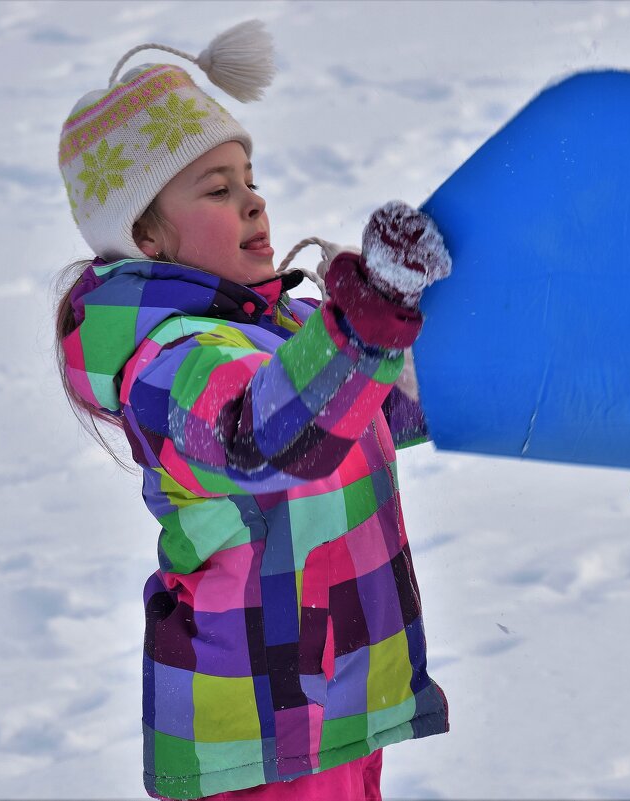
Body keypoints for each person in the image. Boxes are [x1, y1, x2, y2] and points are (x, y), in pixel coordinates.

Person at [53, 21, 451, 801]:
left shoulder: (289, 330)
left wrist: (458, 327)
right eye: (218, 189)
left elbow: (392, 402)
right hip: (259, 726)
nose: (254, 202)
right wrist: (365, 318)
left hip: (334, 697)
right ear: (146, 235)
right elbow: (262, 434)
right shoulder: (167, 364)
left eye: (250, 177)